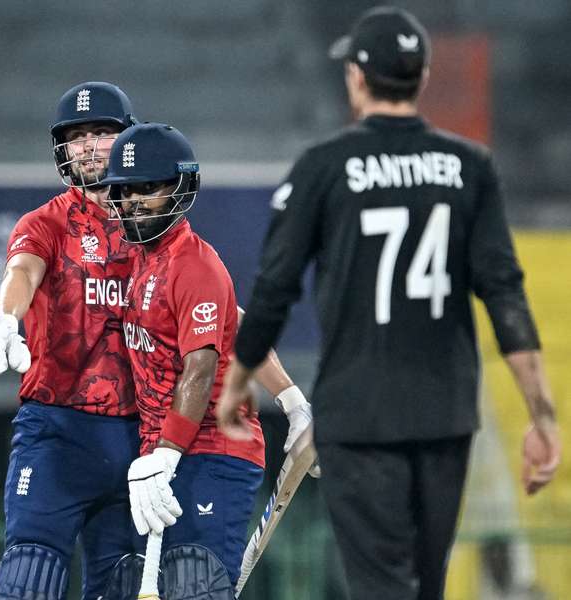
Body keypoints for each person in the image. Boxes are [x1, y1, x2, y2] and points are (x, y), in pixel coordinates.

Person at [217, 6, 561, 600]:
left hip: (360, 411)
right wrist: (543, 416)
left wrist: (237, 381)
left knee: (380, 586)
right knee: (426, 584)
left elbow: (274, 292)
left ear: (356, 76)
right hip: (444, 412)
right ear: (422, 78)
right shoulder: (469, 167)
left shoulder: (325, 167)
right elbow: (505, 295)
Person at [100, 122, 314, 599]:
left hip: (213, 452)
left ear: (180, 187)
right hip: (164, 455)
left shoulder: (193, 265)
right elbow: (234, 324)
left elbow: (197, 372)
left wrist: (166, 455)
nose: (135, 201)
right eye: (127, 190)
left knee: (195, 583)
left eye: (149, 189)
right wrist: (294, 399)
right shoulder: (141, 258)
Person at [0, 81, 145, 600]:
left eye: (102, 133)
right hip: (58, 431)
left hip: (139, 439)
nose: (87, 145)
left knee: (125, 586)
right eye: (77, 135)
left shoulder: (157, 228)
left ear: (128, 139)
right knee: (28, 580)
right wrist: (3, 319)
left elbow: (207, 304)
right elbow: (21, 271)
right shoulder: (45, 223)